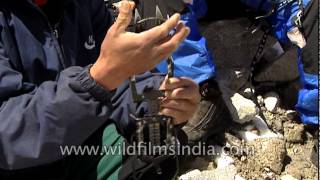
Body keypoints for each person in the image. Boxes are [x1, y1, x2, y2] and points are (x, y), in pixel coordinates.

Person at [0, 0, 200, 179]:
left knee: (158, 140)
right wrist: (97, 81)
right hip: (18, 164)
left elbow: (121, 77)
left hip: (75, 145)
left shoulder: (84, 5)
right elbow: (7, 132)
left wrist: (158, 99)